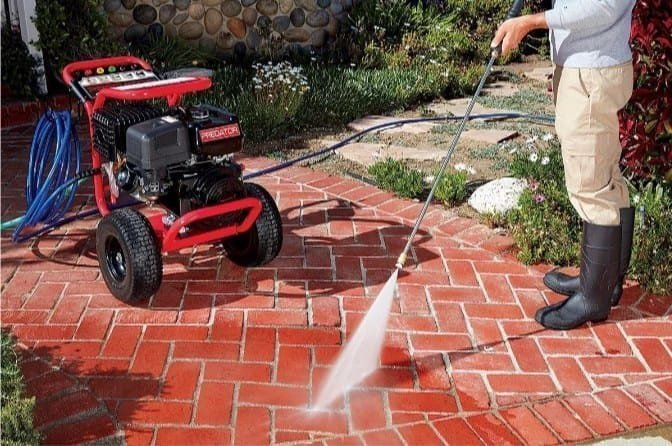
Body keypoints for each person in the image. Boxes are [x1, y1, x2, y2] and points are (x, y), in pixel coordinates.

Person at [490, 0, 637, 330]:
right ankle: (603, 282)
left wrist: (530, 22)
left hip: (590, 74)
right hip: (589, 68)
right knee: (605, 176)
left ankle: (593, 299)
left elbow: (603, 8)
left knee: (590, 186)